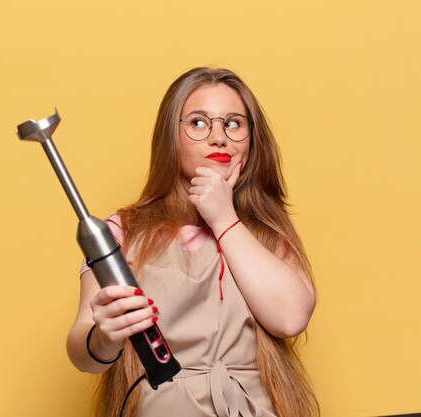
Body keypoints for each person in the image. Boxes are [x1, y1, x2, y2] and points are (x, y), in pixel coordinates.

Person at [66, 67, 319, 417]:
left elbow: (291, 318)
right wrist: (104, 337)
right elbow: (83, 353)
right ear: (171, 136)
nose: (219, 137)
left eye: (233, 123)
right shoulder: (122, 231)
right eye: (199, 123)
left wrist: (223, 218)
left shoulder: (266, 231)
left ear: (251, 139)